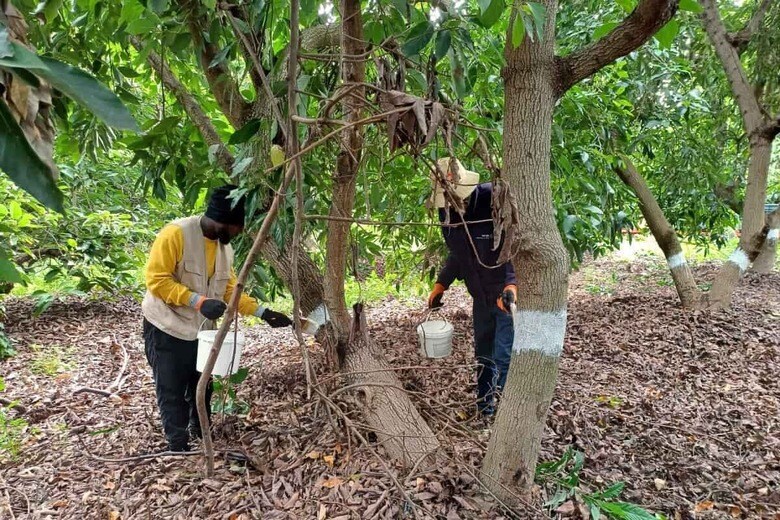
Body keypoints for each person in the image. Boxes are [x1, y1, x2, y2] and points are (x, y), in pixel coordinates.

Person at [142, 184, 292, 451]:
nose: (240, 232)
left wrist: (264, 313)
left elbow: (230, 290)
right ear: (223, 221)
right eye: (238, 226)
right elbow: (157, 280)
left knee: (202, 382)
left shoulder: (225, 249)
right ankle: (178, 445)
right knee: (172, 386)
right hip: (167, 325)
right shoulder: (175, 234)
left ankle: (201, 431)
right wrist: (198, 301)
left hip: (200, 330)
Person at [427, 158, 517, 418]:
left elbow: (513, 242)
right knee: (484, 355)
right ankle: (486, 408)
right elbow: (459, 253)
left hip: (505, 294)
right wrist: (441, 283)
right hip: (480, 296)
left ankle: (507, 412)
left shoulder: (494, 199)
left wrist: (512, 283)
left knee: (504, 354)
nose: (458, 203)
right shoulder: (446, 212)